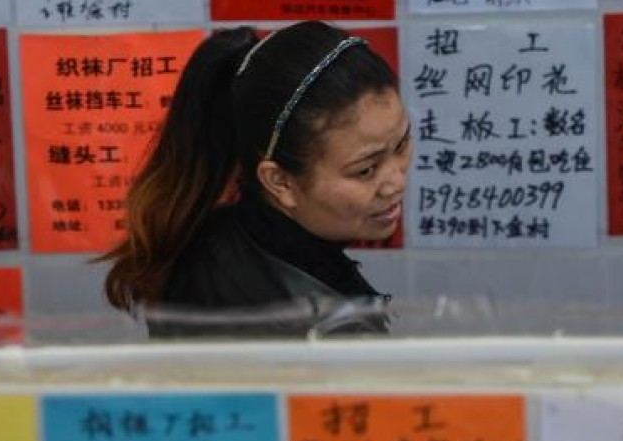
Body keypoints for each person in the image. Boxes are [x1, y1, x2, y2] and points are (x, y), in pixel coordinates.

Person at [101, 20, 411, 338]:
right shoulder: (318, 332)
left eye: (401, 144)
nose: (395, 181)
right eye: (365, 170)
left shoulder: (210, 237)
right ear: (279, 181)